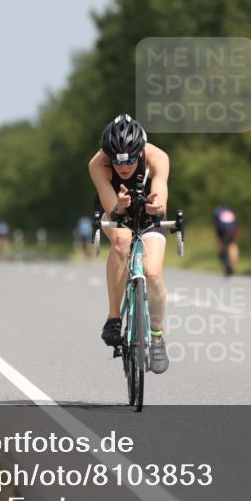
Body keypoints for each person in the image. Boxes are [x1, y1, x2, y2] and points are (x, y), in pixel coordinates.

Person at [88, 114, 170, 374]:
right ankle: (114, 318)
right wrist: (120, 206)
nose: (124, 167)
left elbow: (161, 194)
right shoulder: (98, 164)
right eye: (118, 161)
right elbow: (111, 209)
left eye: (132, 160)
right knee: (122, 240)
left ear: (141, 152)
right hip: (116, 210)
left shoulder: (158, 157)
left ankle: (157, 337)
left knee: (153, 273)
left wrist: (157, 205)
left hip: (149, 211)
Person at [213, 206, 239, 276]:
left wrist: (219, 239)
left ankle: (223, 256)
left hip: (222, 229)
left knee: (221, 243)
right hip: (232, 229)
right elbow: (236, 224)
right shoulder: (230, 212)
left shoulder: (217, 213)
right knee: (233, 244)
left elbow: (217, 227)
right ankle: (232, 264)